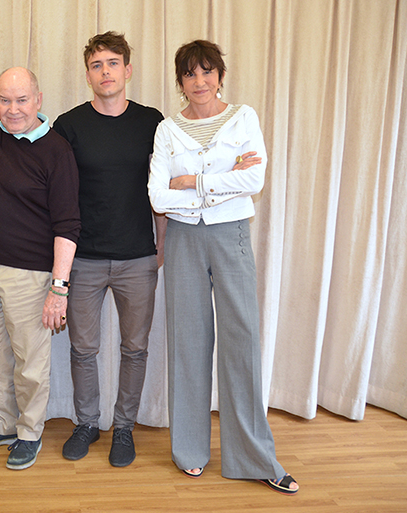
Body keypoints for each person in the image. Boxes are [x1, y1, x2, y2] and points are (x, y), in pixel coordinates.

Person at [148, 40, 299, 495]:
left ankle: (254, 457)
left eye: (207, 72)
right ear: (180, 82)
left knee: (242, 340)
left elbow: (254, 178)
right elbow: (158, 196)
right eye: (190, 74)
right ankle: (189, 450)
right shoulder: (167, 129)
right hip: (183, 240)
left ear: (220, 75)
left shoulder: (243, 117)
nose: (199, 82)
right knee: (187, 341)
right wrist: (222, 181)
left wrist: (191, 182)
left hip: (231, 235)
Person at [52, 31, 166, 467]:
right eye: (97, 65)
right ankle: (86, 423)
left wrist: (161, 245)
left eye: (113, 63)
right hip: (84, 258)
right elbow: (57, 192)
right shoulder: (69, 125)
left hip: (138, 256)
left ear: (127, 69)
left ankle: (123, 428)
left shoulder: (152, 122)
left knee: (135, 349)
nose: (105, 72)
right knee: (83, 349)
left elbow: (161, 188)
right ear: (88, 75)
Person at [0, 67, 80, 470]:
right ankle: (2, 425)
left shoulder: (57, 150)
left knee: (30, 363)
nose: (12, 109)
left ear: (38, 99)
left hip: (30, 277)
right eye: (4, 100)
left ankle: (29, 433)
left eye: (21, 100)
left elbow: (68, 225)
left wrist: (59, 288)